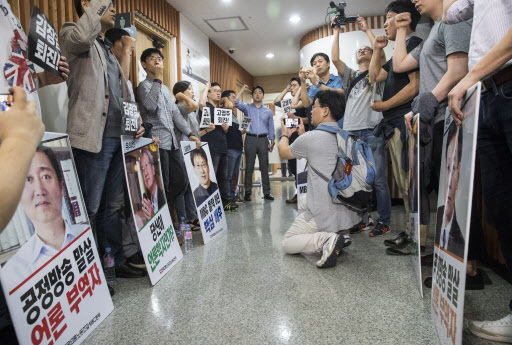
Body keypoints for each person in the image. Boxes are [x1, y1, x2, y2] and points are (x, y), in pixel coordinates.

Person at [61, 0, 146, 278]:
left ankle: (113, 262)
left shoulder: (107, 49)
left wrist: (136, 121)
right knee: (91, 208)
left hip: (117, 138)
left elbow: (122, 93)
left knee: (114, 206)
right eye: (105, 2)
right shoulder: (72, 32)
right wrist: (95, 8)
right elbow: (79, 38)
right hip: (91, 139)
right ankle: (91, 274)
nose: (112, 6)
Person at [444, 0, 512, 341]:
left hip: (506, 81)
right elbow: (450, 13)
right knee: (502, 209)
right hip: (488, 95)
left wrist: (468, 78)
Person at [392, 0, 471, 251]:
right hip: (432, 118)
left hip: (447, 116)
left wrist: (425, 101)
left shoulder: (453, 21)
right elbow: (399, 65)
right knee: (437, 188)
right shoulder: (432, 33)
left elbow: (459, 69)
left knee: (452, 192)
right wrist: (402, 29)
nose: (415, 0)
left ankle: (465, 263)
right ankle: (446, 254)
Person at [279, 90, 359, 268]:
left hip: (325, 210)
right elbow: (319, 157)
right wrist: (302, 135)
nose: (311, 112)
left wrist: (285, 134)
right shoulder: (348, 138)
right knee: (304, 200)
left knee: (287, 242)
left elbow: (283, 152)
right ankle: (342, 233)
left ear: (325, 111)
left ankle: (326, 239)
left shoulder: (311, 138)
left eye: (314, 107)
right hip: (348, 208)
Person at [368, 1, 422, 254]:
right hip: (393, 123)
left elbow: (416, 86)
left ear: (404, 18)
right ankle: (412, 235)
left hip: (404, 119)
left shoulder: (412, 43)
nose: (385, 23)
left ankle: (418, 240)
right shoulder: (396, 52)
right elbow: (374, 75)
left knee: (410, 181)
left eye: (389, 17)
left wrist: (386, 104)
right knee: (403, 182)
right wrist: (377, 49)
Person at [332, 16, 392, 237]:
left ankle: (384, 220)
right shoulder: (350, 76)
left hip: (372, 129)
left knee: (378, 180)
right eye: (360, 50)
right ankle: (362, 219)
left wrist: (367, 30)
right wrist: (337, 31)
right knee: (356, 180)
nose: (363, 51)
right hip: (350, 133)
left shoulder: (379, 73)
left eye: (367, 49)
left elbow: (382, 53)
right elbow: (335, 58)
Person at [2, 145, 90, 294]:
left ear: (61, 187)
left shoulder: (85, 235)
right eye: (27, 179)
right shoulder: (13, 273)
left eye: (45, 176)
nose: (39, 191)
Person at [137, 48, 202, 226]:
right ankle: (168, 224)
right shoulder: (144, 86)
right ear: (143, 64)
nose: (157, 62)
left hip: (173, 142)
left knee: (180, 180)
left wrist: (189, 133)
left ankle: (173, 217)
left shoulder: (165, 89)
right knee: (162, 184)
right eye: (152, 59)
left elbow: (176, 116)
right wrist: (157, 79)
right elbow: (150, 106)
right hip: (156, 143)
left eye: (160, 59)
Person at [198, 82, 238, 210]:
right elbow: (201, 104)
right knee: (212, 177)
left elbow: (222, 130)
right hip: (211, 147)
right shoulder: (207, 107)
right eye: (215, 90)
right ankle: (211, 206)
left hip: (222, 146)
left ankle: (224, 203)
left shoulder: (220, 110)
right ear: (208, 93)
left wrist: (225, 129)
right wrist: (206, 88)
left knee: (223, 177)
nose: (218, 93)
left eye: (219, 91)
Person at [172, 80, 203, 230]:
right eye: (189, 89)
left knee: (191, 184)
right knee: (182, 185)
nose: (192, 92)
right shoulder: (178, 107)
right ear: (180, 93)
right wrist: (178, 96)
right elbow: (194, 105)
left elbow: (194, 131)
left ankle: (192, 216)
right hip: (179, 150)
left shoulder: (190, 111)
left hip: (191, 150)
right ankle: (183, 219)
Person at [235, 85, 275, 201]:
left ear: (263, 95)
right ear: (252, 96)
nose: (257, 94)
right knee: (249, 167)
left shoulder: (267, 111)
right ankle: (247, 192)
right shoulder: (247, 107)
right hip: (250, 139)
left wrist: (272, 140)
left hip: (263, 140)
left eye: (260, 92)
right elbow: (235, 102)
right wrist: (242, 89)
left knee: (264, 167)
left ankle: (267, 192)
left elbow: (271, 127)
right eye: (255, 93)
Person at [274, 77, 310, 204]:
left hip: (301, 136)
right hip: (289, 137)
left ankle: (305, 195)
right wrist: (286, 89)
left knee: (303, 167)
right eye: (291, 86)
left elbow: (310, 119)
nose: (292, 88)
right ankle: (298, 192)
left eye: (294, 85)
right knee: (293, 167)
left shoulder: (304, 100)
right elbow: (276, 101)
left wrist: (296, 117)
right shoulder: (288, 102)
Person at [434, 122, 464, 258]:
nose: (450, 181)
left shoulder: (464, 227)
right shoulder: (440, 213)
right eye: (447, 168)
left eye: (453, 168)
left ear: (459, 171)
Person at [222, 89, 245, 205]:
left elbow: (234, 131)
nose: (235, 100)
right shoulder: (224, 112)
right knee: (229, 175)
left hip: (238, 148)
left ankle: (232, 195)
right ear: (226, 99)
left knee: (234, 174)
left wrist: (241, 131)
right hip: (230, 148)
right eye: (233, 97)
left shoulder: (233, 114)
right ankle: (228, 198)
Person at [137, 148, 165, 224]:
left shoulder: (163, 197)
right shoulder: (146, 202)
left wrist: (154, 218)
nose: (145, 173)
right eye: (142, 169)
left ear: (153, 169)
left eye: (146, 165)